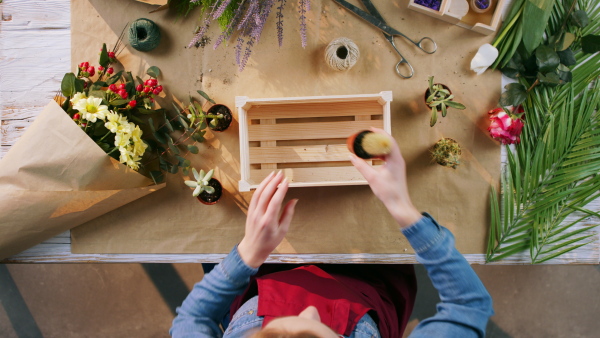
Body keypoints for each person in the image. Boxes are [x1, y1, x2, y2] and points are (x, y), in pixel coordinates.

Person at [170, 128, 494, 338]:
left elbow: (189, 320)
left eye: (270, 330)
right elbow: (469, 306)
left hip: (262, 269)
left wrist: (249, 254)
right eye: (321, 328)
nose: (311, 309)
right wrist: (402, 208)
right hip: (372, 278)